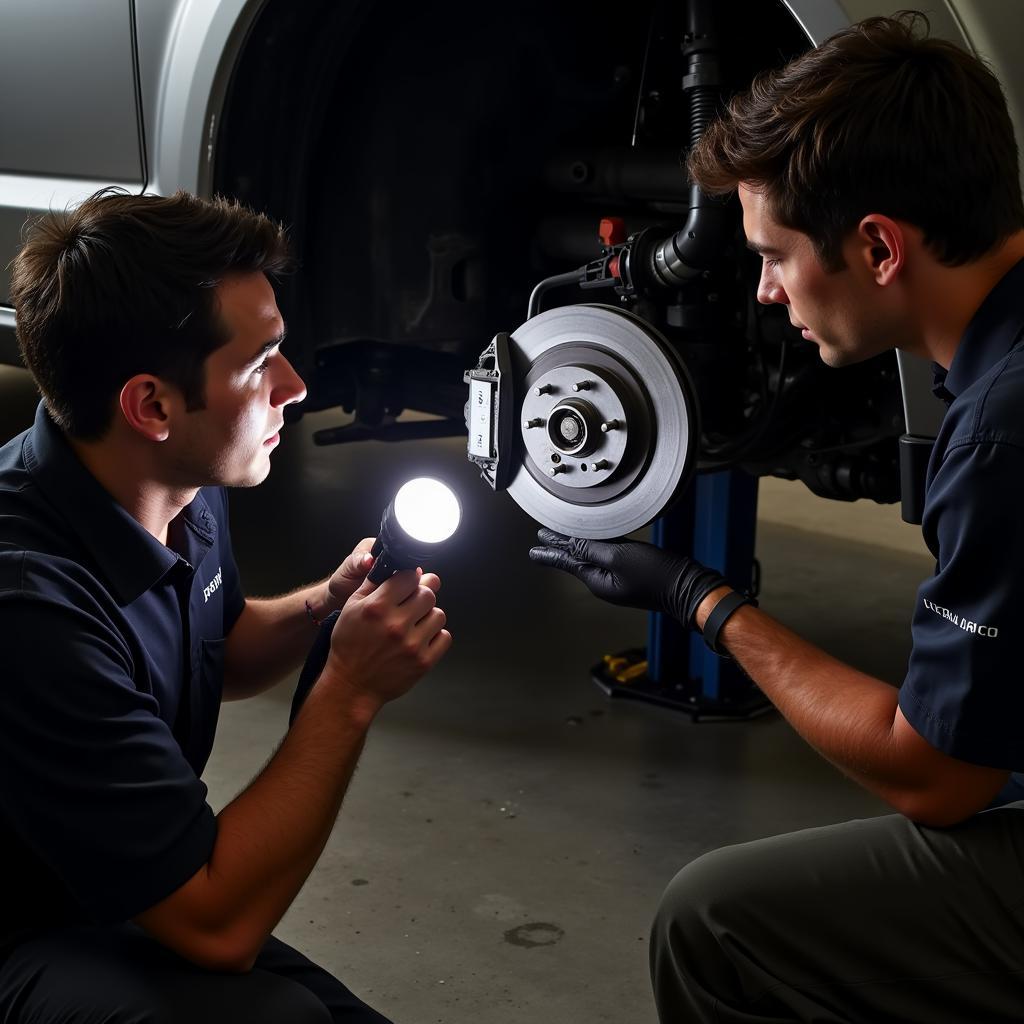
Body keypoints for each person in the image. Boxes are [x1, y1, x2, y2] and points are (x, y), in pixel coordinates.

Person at [531, 13, 1024, 1022]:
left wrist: (695, 598)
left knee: (716, 924)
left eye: (775, 253)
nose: (760, 289)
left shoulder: (1002, 435)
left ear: (879, 247)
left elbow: (933, 776)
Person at [0, 189, 451, 1023]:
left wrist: (325, 604)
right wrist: (348, 688)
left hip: (108, 883)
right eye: (259, 365)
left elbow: (218, 640)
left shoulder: (172, 481)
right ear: (152, 405)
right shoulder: (26, 609)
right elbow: (214, 927)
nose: (296, 385)